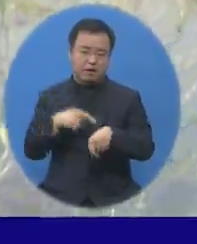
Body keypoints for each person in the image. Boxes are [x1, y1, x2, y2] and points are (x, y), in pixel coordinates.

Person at [23, 18, 156, 208]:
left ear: (109, 57)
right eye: (84, 52)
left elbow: (145, 149)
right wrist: (54, 124)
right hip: (60, 196)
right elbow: (32, 151)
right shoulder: (50, 97)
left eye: (101, 54)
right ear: (71, 53)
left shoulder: (128, 98)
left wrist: (114, 136)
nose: (92, 60)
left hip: (115, 198)